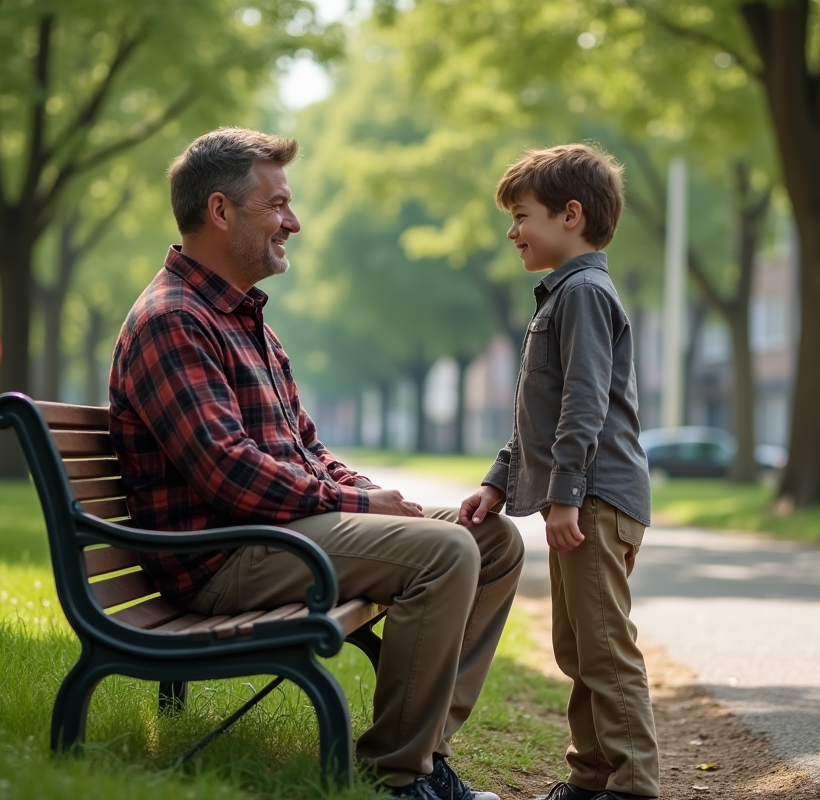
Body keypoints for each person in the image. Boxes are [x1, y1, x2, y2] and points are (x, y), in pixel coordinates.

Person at [108, 127, 524, 800]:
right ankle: (399, 779)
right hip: (223, 556)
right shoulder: (173, 320)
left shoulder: (244, 321)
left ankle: (423, 752)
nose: (293, 222)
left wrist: (371, 493)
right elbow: (228, 471)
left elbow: (307, 448)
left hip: (272, 535)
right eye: (277, 204)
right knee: (445, 552)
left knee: (492, 540)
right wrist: (359, 506)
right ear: (220, 211)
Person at [458, 144, 659, 800]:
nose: (512, 232)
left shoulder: (584, 295)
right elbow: (537, 416)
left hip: (596, 497)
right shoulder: (565, 295)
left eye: (522, 216)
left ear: (570, 216)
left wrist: (566, 493)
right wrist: (499, 479)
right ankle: (590, 777)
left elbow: (583, 404)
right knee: (577, 646)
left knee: (604, 647)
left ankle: (632, 786)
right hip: (585, 496)